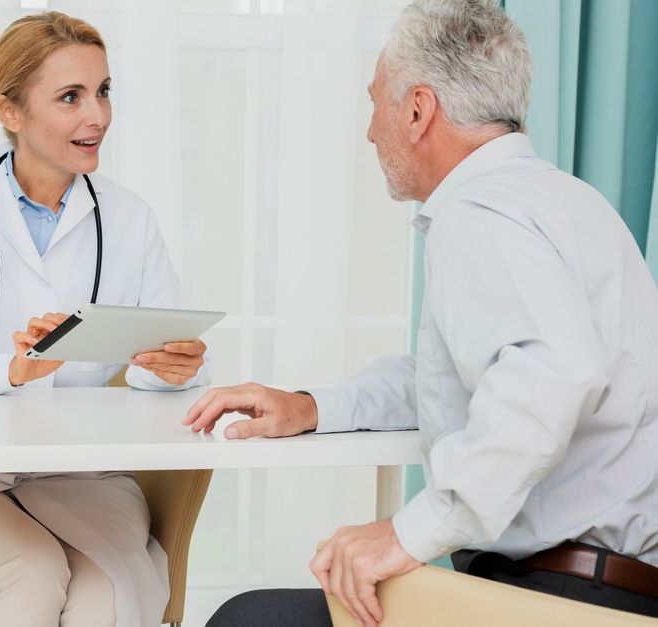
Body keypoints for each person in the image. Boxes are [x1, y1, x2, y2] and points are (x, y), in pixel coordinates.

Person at [187, 1, 658, 626]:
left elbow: (555, 372)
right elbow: (458, 377)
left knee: (248, 619)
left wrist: (410, 532)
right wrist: (311, 407)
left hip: (559, 597)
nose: (370, 131)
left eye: (375, 102)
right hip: (616, 586)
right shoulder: (569, 202)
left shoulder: (479, 216)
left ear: (417, 110)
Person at [0, 12, 210, 627]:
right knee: (30, 570)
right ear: (10, 111)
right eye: (70, 97)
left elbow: (156, 366)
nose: (98, 116)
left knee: (103, 594)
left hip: (82, 468)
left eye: (104, 92)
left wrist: (173, 368)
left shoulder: (130, 220)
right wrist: (11, 369)